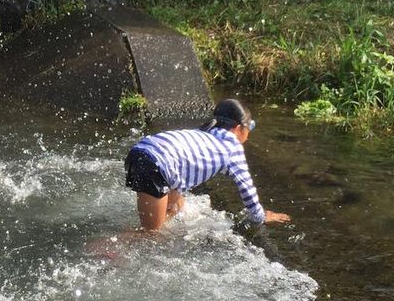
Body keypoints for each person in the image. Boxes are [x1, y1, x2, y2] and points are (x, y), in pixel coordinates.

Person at [124, 98, 290, 231]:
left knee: (177, 205)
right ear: (239, 128)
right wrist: (260, 217)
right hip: (157, 164)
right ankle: (104, 248)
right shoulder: (232, 147)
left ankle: (156, 220)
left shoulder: (203, 134)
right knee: (150, 234)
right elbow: (248, 192)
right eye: (250, 127)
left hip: (141, 152)